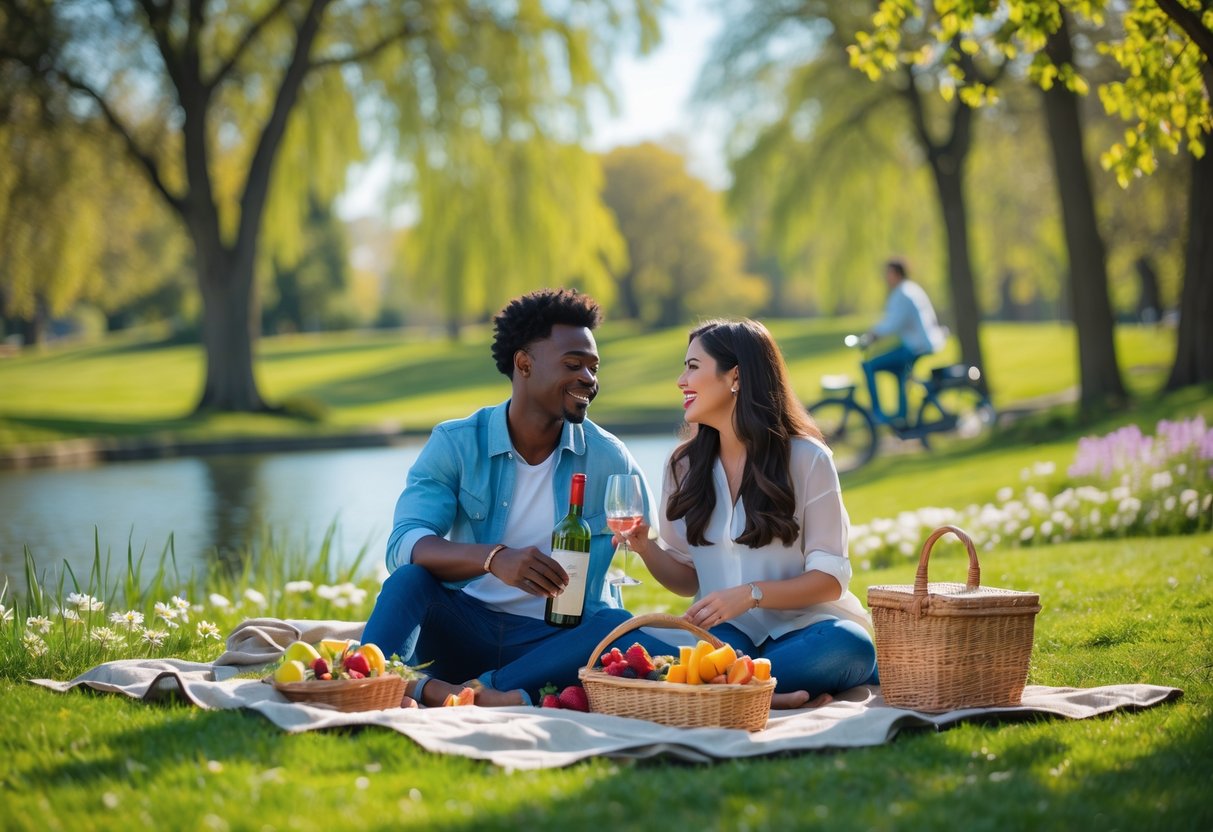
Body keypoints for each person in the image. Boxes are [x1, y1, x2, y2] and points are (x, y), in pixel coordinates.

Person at [361, 288, 659, 707]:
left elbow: (650, 544)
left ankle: (456, 691)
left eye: (593, 368)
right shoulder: (457, 443)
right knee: (409, 580)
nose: (588, 380)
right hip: (463, 628)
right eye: (573, 365)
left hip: (554, 642)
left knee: (616, 625)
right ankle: (364, 681)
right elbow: (405, 543)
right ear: (524, 364)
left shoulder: (609, 457)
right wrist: (494, 558)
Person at [615, 319, 877, 708]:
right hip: (727, 638)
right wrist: (645, 547)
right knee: (616, 633)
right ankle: (758, 690)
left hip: (809, 631)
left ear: (734, 376)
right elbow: (687, 578)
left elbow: (830, 580)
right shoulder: (682, 466)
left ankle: (724, 688)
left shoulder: (807, 459)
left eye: (692, 366)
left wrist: (752, 595)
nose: (680, 380)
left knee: (850, 646)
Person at [860, 258, 947, 426]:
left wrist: (873, 334)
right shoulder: (911, 289)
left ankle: (878, 414)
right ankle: (902, 417)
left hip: (916, 346)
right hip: (920, 343)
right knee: (900, 373)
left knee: (870, 365)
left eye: (888, 273)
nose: (886, 277)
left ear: (897, 274)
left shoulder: (902, 293)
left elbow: (893, 323)